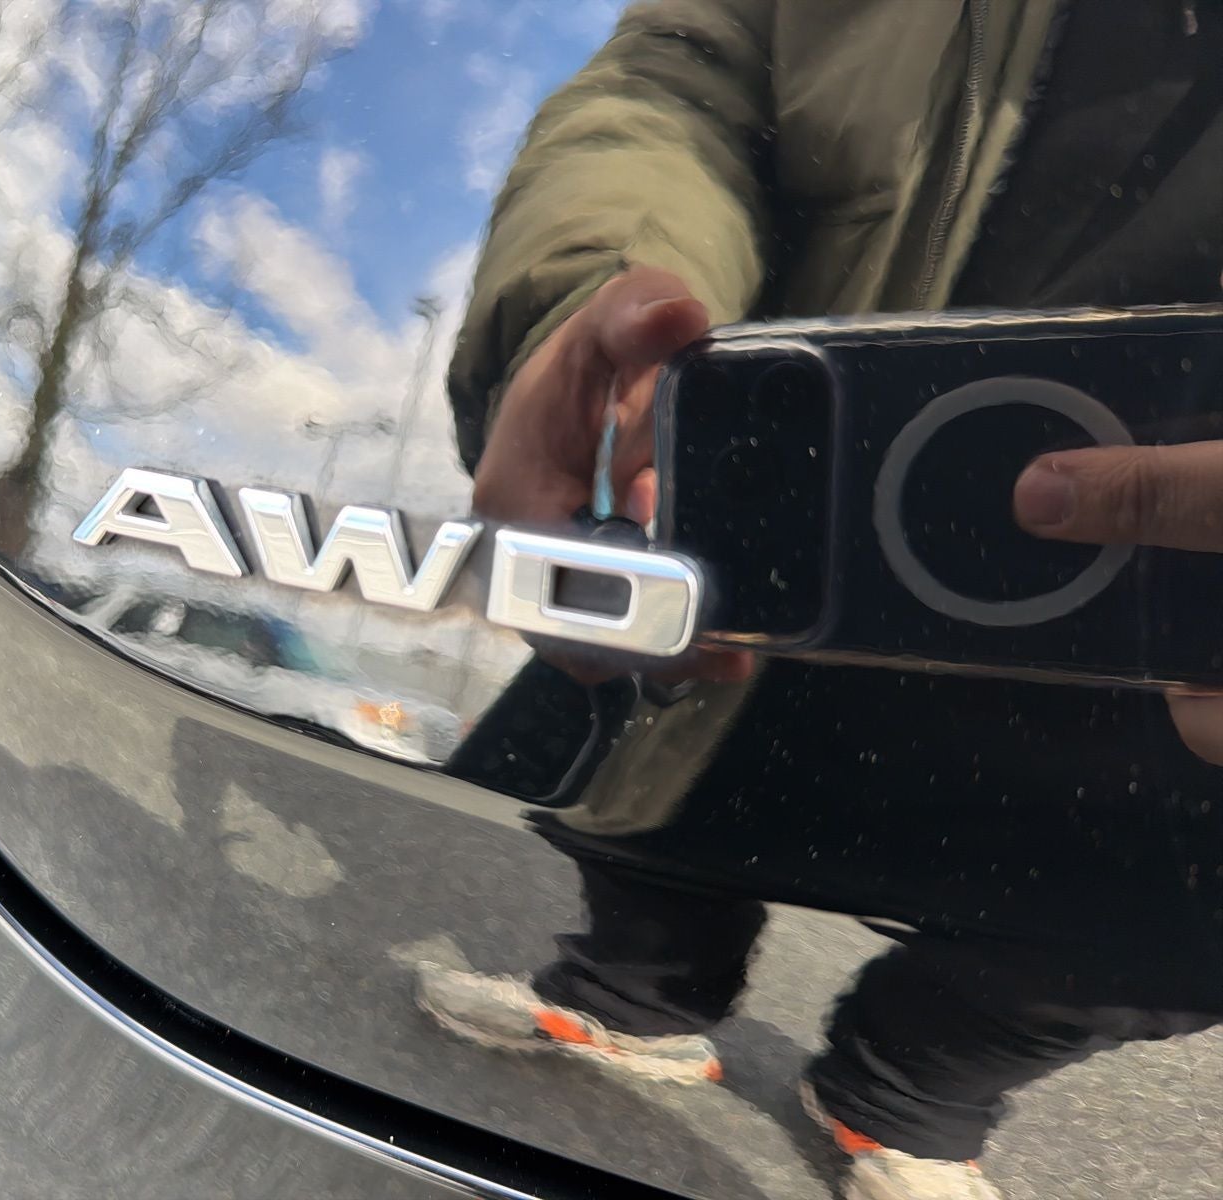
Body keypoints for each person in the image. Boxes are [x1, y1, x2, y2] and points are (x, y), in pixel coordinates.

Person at [419, 3, 1223, 1198]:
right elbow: (686, 72)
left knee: (1156, 917)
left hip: (1166, 674)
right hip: (789, 511)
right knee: (679, 708)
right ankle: (635, 986)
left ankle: (910, 1084)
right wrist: (585, 298)